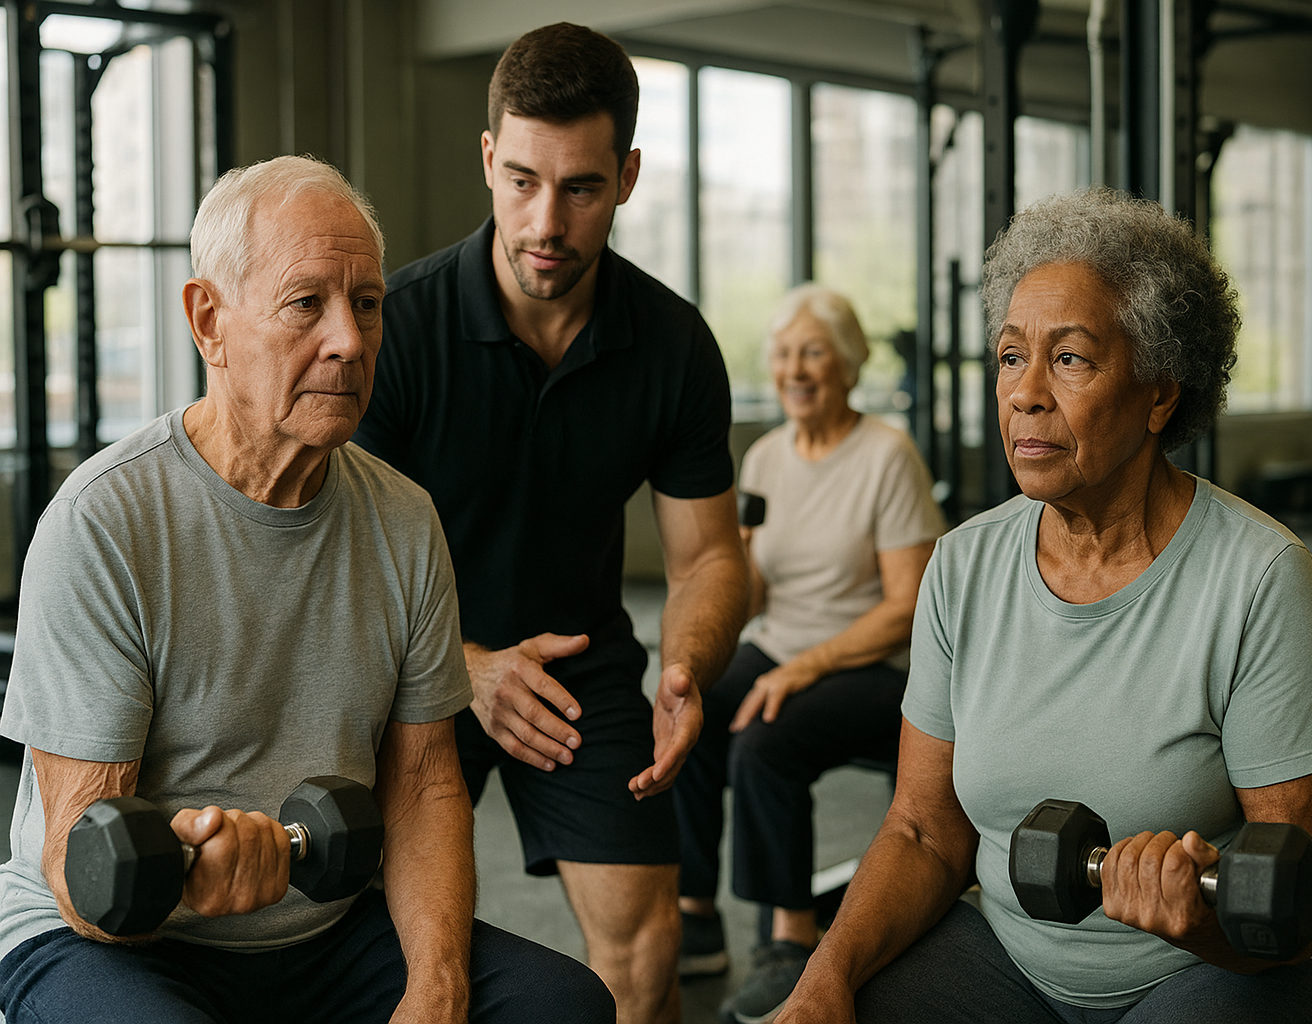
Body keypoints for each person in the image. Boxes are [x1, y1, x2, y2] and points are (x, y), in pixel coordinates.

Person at [0, 155, 614, 1024]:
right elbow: (78, 862)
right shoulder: (105, 523)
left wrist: (435, 991)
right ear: (209, 322)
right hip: (116, 943)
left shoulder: (404, 520)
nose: (350, 341)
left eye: (367, 305)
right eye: (306, 303)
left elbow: (424, 783)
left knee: (563, 1006)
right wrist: (191, 877)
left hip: (323, 931)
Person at [776, 189, 1312, 1024]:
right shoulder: (962, 567)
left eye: (1069, 359)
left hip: (1236, 970)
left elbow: (1297, 903)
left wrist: (1198, 922)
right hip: (1014, 957)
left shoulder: (1259, 578)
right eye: (1008, 357)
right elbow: (924, 832)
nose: (1025, 394)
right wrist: (824, 979)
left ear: (1159, 394)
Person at [351, 23, 749, 1024]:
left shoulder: (672, 345)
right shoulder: (400, 330)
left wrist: (688, 665)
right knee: (366, 942)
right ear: (488, 160)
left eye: (580, 188)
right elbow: (335, 560)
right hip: (407, 661)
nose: (546, 221)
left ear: (627, 176)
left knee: (645, 952)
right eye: (522, 180)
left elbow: (709, 558)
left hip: (576, 658)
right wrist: (465, 666)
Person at [671, 285, 946, 1023]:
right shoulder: (763, 459)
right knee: (689, 706)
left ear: (849, 365)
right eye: (785, 354)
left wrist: (805, 667)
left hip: (873, 667)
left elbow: (907, 604)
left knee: (765, 738)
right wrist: (703, 628)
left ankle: (788, 941)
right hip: (780, 647)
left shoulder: (888, 456)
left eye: (813, 352)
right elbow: (752, 586)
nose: (796, 369)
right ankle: (695, 910)